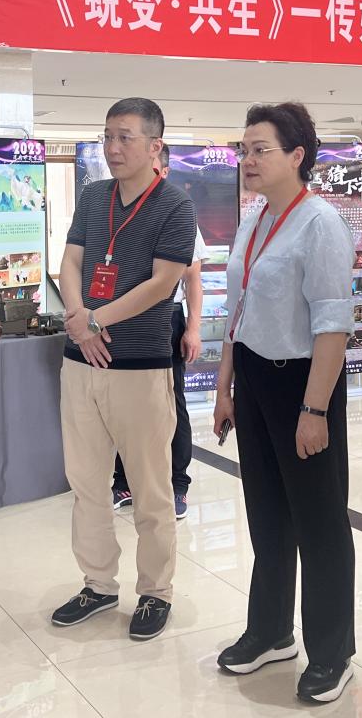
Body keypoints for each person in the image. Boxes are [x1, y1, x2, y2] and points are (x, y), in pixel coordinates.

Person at [212, 102, 357, 705]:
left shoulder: (320, 223)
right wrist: (225, 387)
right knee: (268, 515)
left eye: (260, 149)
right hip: (254, 378)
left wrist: (315, 410)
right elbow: (238, 312)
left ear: (298, 156)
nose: (247, 160)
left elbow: (333, 325)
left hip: (303, 382)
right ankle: (271, 631)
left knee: (320, 523)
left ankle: (332, 653)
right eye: (243, 150)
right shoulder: (255, 219)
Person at [51, 97, 196, 642]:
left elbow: (162, 283)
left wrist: (95, 319)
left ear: (155, 146)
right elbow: (70, 261)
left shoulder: (175, 205)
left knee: (151, 488)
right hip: (80, 362)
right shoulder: (93, 196)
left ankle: (156, 591)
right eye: (108, 136)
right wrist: (78, 320)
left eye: (125, 137)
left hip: (140, 366)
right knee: (87, 482)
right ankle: (98, 584)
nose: (113, 147)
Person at [111, 142, 206, 521]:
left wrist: (193, 328)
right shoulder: (115, 212)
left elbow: (194, 279)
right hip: (121, 319)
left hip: (166, 317)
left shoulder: (179, 213)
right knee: (124, 401)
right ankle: (124, 481)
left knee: (169, 400)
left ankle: (177, 483)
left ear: (163, 172)